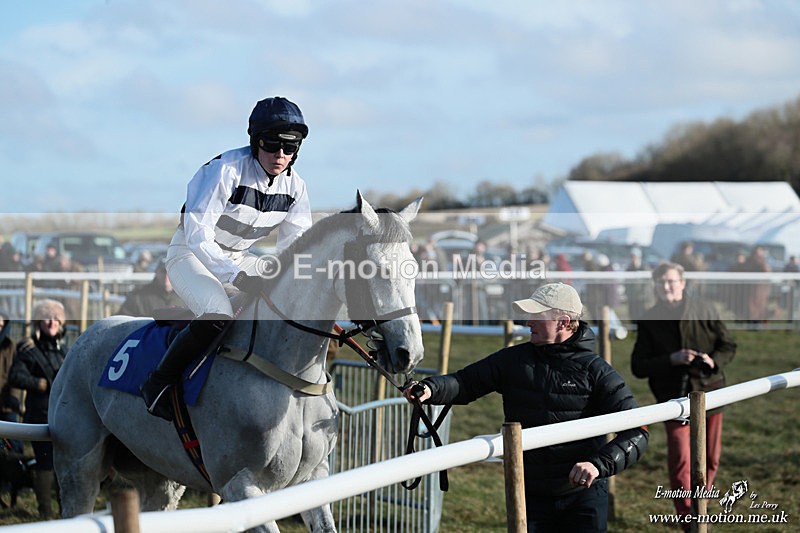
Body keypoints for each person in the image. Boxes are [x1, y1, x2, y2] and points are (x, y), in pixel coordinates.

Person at [403, 282, 649, 531]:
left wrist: (598, 465)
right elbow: (466, 382)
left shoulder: (597, 371)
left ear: (563, 322)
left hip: (584, 497)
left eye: (536, 316)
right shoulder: (513, 360)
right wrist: (430, 389)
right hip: (527, 494)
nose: (527, 322)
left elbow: (638, 430)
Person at [141, 96, 313, 421]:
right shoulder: (226, 170)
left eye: (289, 149)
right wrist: (234, 275)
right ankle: (159, 382)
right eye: (271, 144)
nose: (280, 156)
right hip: (192, 253)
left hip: (240, 257)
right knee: (218, 314)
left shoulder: (297, 188)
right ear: (255, 141)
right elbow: (198, 234)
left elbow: (294, 248)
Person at [630, 262, 736, 523]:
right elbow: (638, 366)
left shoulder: (704, 309)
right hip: (673, 399)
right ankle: (687, 517)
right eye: (660, 282)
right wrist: (672, 359)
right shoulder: (649, 319)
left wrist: (712, 361)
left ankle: (702, 505)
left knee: (710, 458)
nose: (666, 286)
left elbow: (728, 344)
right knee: (681, 460)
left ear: (683, 282)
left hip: (711, 392)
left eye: (671, 281)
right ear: (654, 286)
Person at [9, 299, 67, 519]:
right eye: (46, 317)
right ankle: (45, 513)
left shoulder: (65, 350)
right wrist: (38, 384)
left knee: (63, 463)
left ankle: (66, 511)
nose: (51, 322)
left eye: (55, 317)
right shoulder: (27, 349)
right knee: (45, 462)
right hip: (38, 414)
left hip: (63, 413)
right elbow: (16, 376)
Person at [117, 261, 185, 317]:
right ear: (156, 272)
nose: (166, 276)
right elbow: (123, 320)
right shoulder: (139, 296)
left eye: (170, 271)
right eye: (163, 271)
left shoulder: (186, 297)